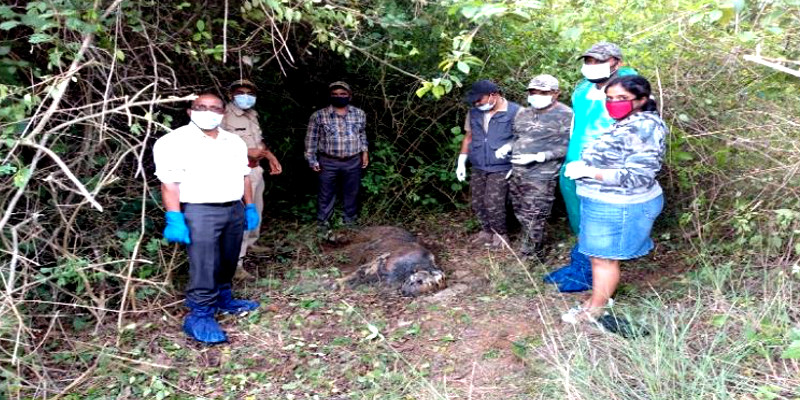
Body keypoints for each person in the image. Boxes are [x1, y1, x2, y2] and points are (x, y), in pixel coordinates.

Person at [153, 92, 261, 344]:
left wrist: (249, 207)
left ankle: (224, 297)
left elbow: (244, 175)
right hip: (200, 211)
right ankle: (199, 314)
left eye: (214, 108)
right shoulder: (173, 141)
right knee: (204, 263)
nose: (208, 112)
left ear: (222, 113)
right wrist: (174, 217)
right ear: (190, 111)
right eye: (202, 107)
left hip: (233, 207)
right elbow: (169, 183)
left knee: (228, 257)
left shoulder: (233, 142)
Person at [560, 74, 667, 324]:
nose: (613, 102)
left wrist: (590, 172)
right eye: (609, 98)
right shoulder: (626, 121)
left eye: (622, 98)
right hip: (605, 202)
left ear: (641, 100)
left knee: (604, 260)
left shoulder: (645, 126)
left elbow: (639, 176)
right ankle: (598, 299)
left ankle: (595, 310)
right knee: (599, 258)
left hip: (619, 205)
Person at [544, 42, 637, 292]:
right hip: (574, 163)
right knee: (579, 216)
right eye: (589, 61)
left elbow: (637, 131)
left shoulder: (630, 89)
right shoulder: (583, 90)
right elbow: (577, 125)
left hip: (605, 168)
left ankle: (596, 273)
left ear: (617, 62)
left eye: (599, 61)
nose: (592, 66)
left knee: (601, 219)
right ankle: (583, 261)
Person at [496, 74, 572, 257]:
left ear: (556, 93)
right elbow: (518, 137)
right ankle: (531, 243)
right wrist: (508, 147)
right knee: (521, 210)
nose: (536, 95)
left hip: (542, 174)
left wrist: (539, 156)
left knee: (535, 213)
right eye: (533, 91)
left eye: (543, 92)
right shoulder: (523, 112)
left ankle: (533, 253)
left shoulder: (566, 115)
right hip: (518, 170)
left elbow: (571, 146)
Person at [221, 79, 282, 279]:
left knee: (256, 212)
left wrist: (270, 156)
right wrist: (248, 152)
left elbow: (260, 142)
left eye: (249, 93)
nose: (245, 96)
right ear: (231, 95)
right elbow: (218, 145)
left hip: (255, 170)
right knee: (241, 219)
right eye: (240, 92)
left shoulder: (252, 114)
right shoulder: (223, 115)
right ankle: (235, 263)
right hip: (237, 173)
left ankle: (251, 245)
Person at [456, 80, 521, 248]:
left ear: (494, 95)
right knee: (478, 202)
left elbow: (525, 138)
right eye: (474, 101)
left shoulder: (516, 112)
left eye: (480, 100)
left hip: (502, 165)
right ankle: (486, 232)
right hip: (479, 164)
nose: (477, 104)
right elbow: (469, 137)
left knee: (494, 202)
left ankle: (501, 236)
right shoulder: (474, 112)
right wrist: (461, 161)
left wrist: (510, 147)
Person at [304, 81, 368, 230]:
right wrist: (312, 160)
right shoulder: (319, 116)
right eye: (335, 94)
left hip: (353, 160)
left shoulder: (359, 114)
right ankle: (323, 224)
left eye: (343, 94)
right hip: (328, 161)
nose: (339, 97)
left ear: (349, 96)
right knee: (325, 193)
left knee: (352, 192)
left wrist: (365, 152)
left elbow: (362, 134)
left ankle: (350, 222)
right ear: (330, 96)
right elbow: (311, 140)